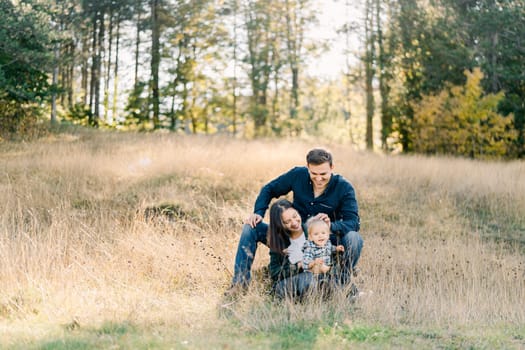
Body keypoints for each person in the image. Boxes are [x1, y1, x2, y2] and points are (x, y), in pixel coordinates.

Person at [226, 147, 363, 296]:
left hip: (323, 239)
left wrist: (331, 226)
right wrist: (258, 213)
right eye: (313, 173)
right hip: (293, 234)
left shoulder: (344, 187)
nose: (318, 178)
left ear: (332, 167)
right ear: (307, 168)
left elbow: (353, 223)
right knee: (250, 228)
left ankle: (342, 281)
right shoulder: (298, 175)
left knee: (354, 238)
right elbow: (269, 189)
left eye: (323, 174)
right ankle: (240, 284)